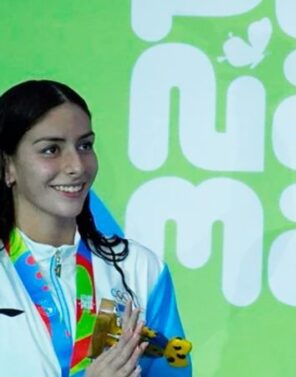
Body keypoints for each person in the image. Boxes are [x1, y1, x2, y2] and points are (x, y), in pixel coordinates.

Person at [0, 80, 190, 376]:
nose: (77, 165)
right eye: (51, 149)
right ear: (7, 165)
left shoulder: (139, 269)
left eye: (85, 145)